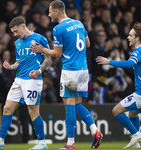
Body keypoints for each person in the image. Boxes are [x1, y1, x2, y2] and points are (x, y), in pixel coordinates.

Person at [30, 0, 103, 149]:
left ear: (57, 11)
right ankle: (95, 130)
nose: (49, 14)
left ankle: (70, 143)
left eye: (50, 11)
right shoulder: (79, 23)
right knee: (77, 104)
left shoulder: (58, 29)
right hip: (83, 70)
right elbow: (88, 44)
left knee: (69, 106)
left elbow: (57, 54)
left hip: (70, 71)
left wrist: (42, 50)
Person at [0, 16, 51, 150]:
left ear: (23, 26)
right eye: (13, 32)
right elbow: (19, 62)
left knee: (33, 112)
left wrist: (39, 71)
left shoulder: (39, 39)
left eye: (15, 31)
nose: (14, 34)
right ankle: (0, 141)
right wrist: (11, 66)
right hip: (19, 79)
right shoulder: (17, 43)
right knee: (7, 108)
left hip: (33, 80)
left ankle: (42, 143)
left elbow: (48, 59)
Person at [96, 22, 141, 148]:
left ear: (137, 38)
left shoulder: (138, 52)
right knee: (133, 114)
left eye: (130, 35)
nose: (128, 37)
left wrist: (109, 61)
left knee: (116, 111)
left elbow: (128, 64)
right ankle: (135, 144)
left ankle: (135, 134)